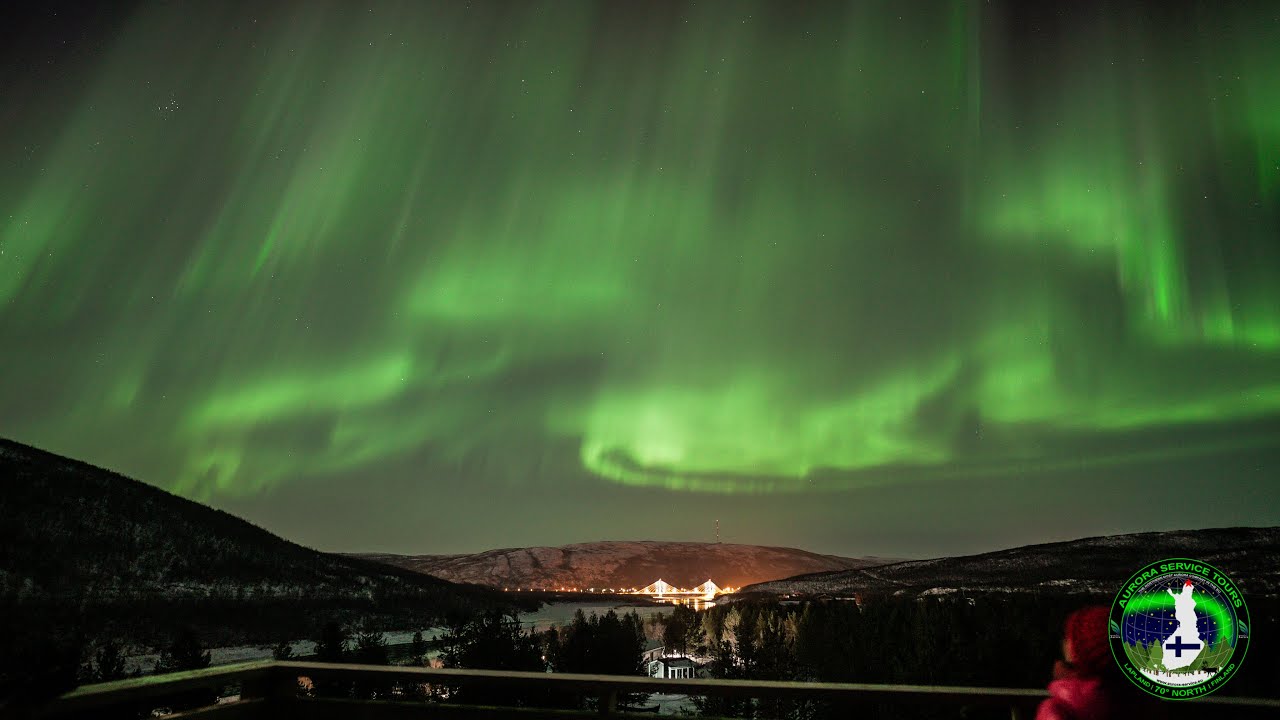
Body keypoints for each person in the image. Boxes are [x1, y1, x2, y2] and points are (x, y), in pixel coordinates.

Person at [1036, 606, 1161, 720]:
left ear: (1079, 652)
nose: (1064, 641)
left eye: (1070, 637)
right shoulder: (1143, 703)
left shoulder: (1056, 710)